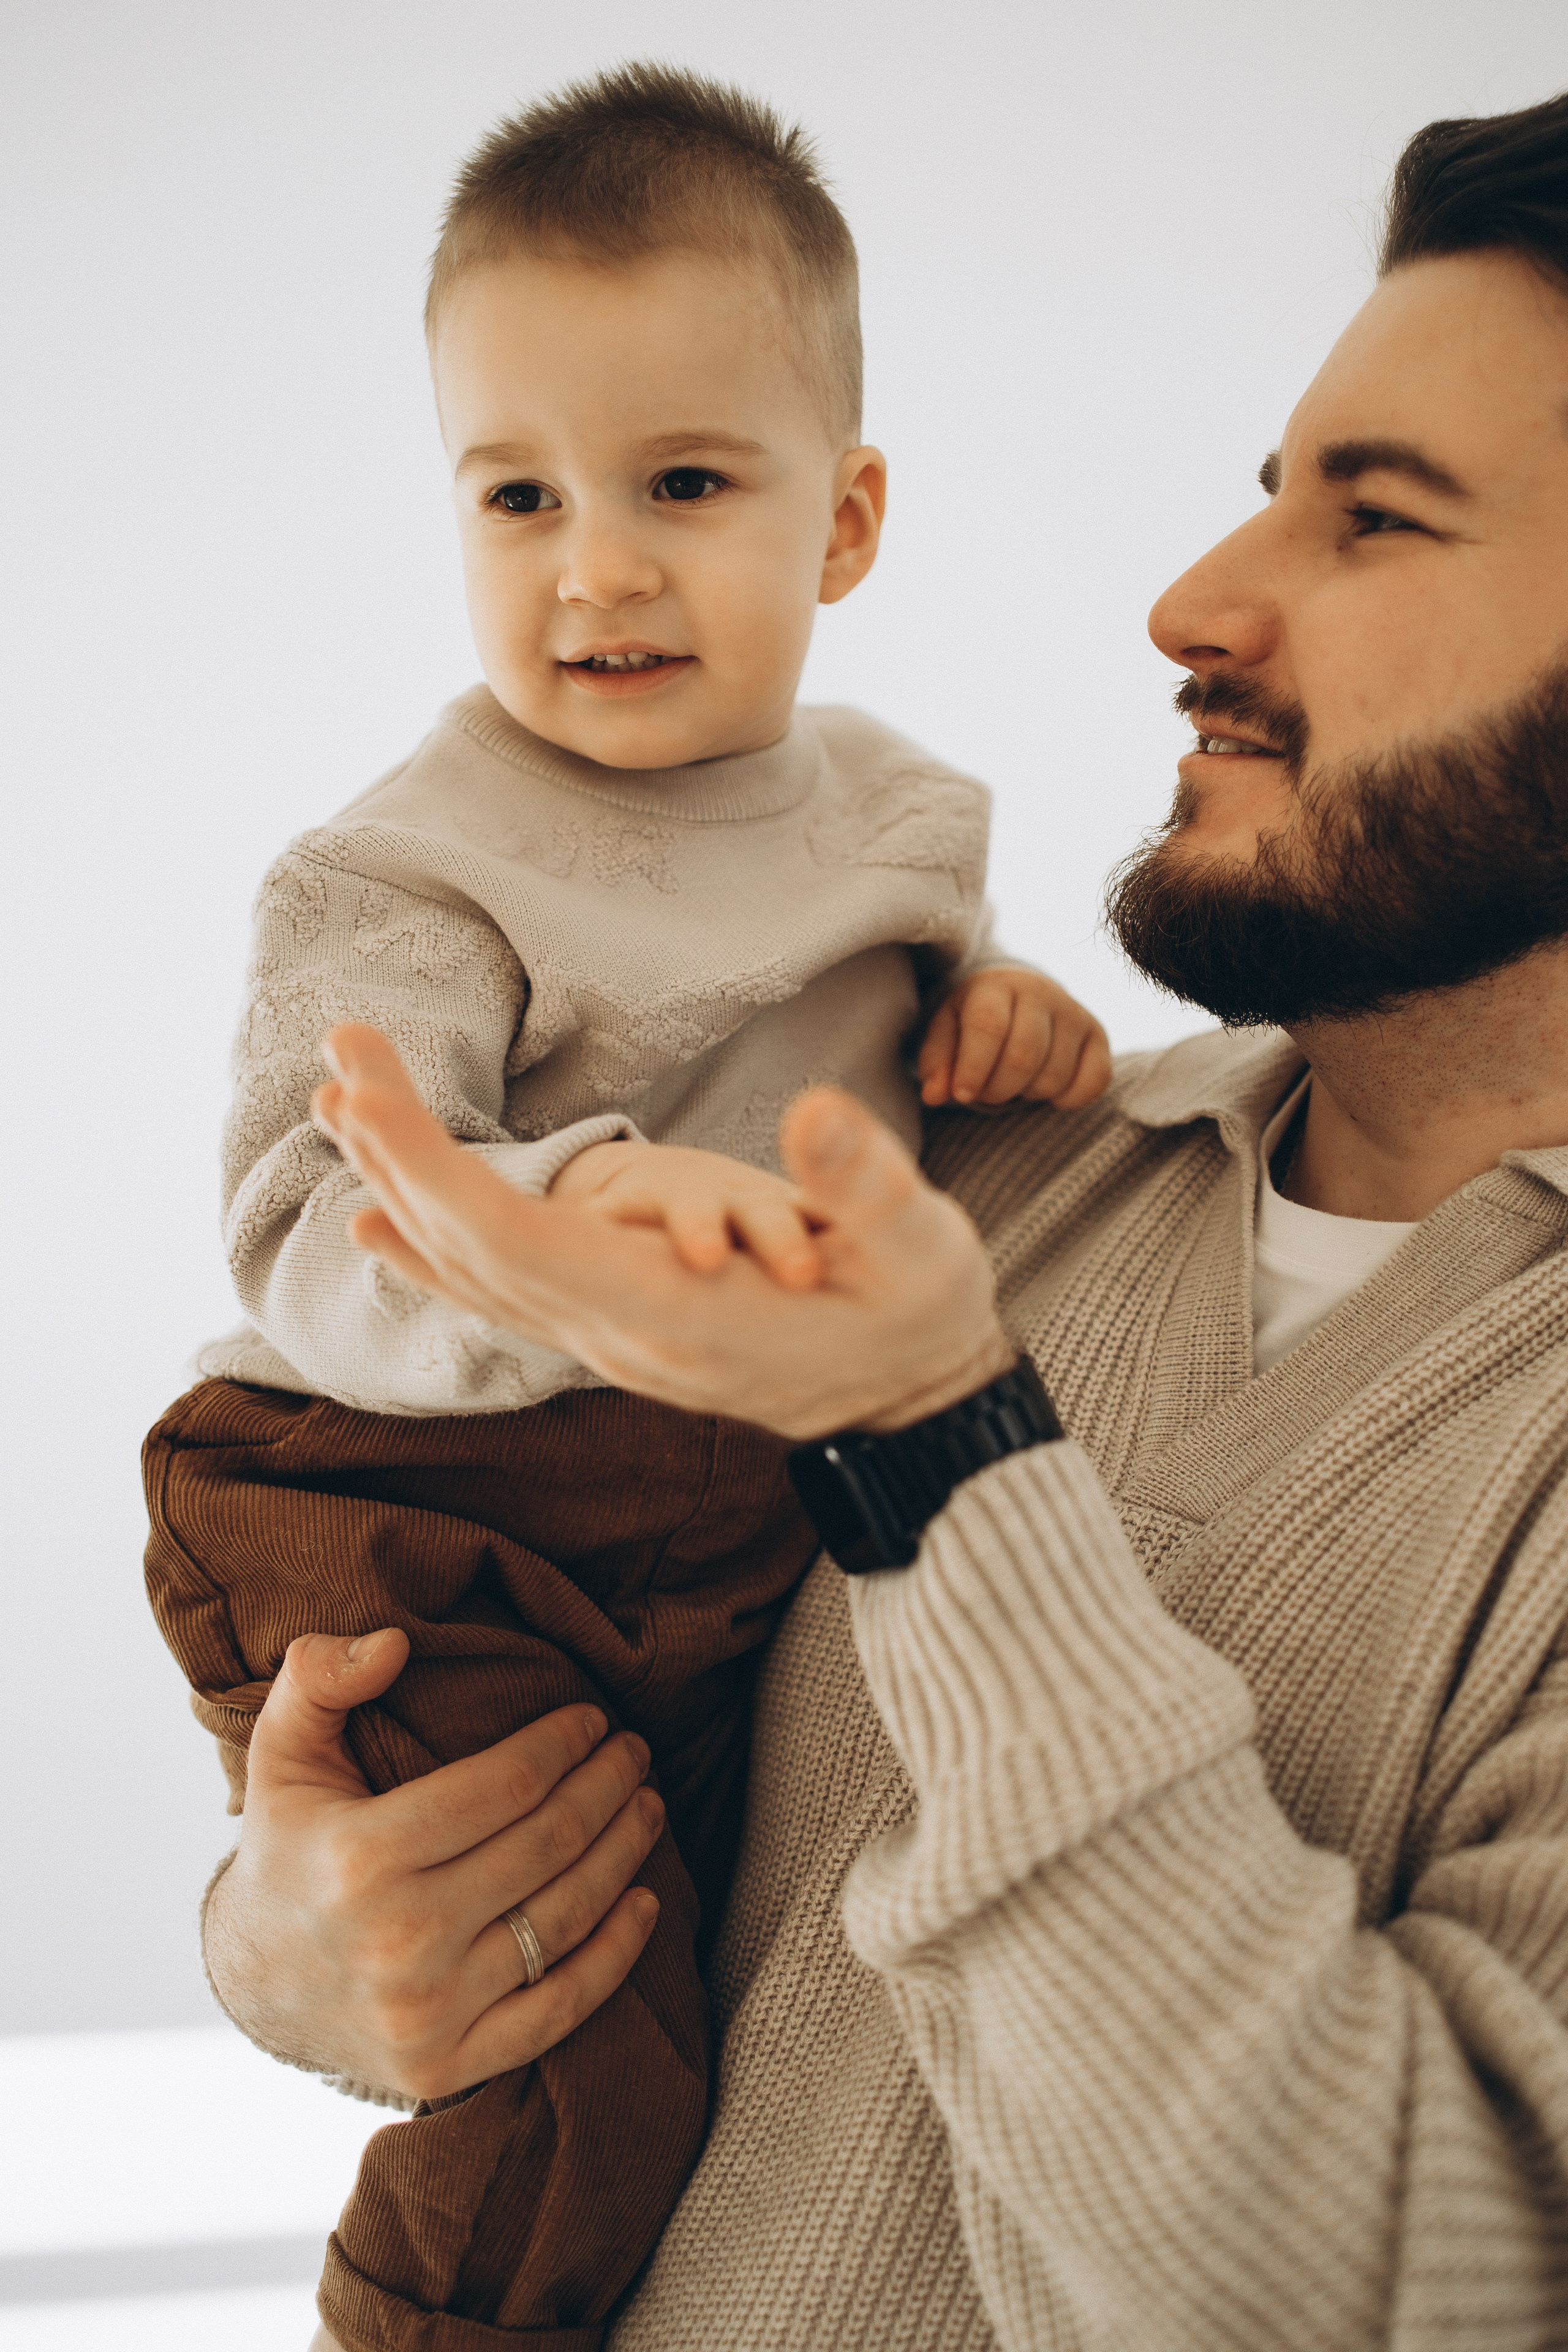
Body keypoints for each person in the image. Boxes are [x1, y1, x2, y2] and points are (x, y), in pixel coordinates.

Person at [203, 90, 1568, 2351]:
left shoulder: (891, 1316)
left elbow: (1399, 2285)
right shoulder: (956, 1173)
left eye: (1379, 521)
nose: (1191, 604)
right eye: (1262, 496)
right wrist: (300, 1939)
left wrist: (937, 1454)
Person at [140, 63, 1109, 2352]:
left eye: (684, 482)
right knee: (572, 2042)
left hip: (713, 1526)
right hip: (408, 1498)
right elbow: (306, 1215)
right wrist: (570, 1208)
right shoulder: (409, 866)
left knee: (735, 1986)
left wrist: (1018, 1024)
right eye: (518, 492)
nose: (596, 565)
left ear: (845, 520)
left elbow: (913, 1114)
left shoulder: (902, 824)